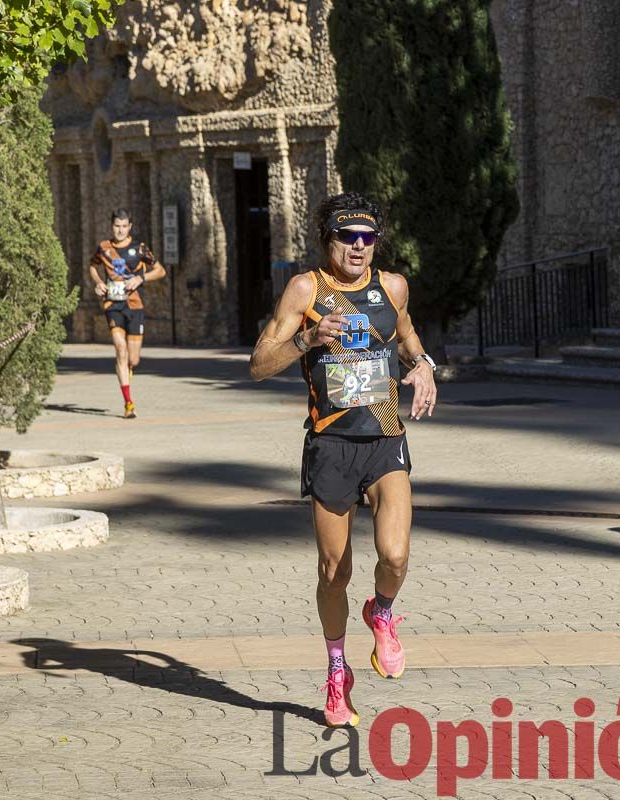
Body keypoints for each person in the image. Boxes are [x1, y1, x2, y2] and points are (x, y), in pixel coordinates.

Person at [249, 192, 438, 727]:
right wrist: (306, 338)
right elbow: (259, 363)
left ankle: (382, 611)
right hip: (331, 445)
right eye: (346, 236)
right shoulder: (305, 289)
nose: (358, 246)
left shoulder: (393, 287)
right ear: (327, 239)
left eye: (367, 237)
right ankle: (337, 669)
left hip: (384, 439)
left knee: (395, 555)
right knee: (335, 573)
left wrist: (424, 364)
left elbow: (407, 336)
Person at [88, 209, 167, 418]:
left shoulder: (139, 248)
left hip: (135, 306)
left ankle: (129, 367)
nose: (120, 230)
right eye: (117, 226)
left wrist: (141, 278)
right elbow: (93, 267)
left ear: (130, 227)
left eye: (124, 226)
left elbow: (161, 270)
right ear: (111, 226)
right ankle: (128, 404)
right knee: (120, 350)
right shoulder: (104, 247)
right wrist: (98, 283)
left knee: (134, 358)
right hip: (112, 305)